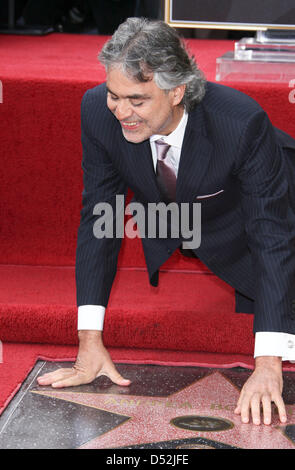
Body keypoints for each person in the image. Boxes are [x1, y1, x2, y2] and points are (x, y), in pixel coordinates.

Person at [37, 17, 295, 427]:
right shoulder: (98, 112)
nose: (122, 112)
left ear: (177, 91)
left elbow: (272, 234)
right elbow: (98, 219)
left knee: (279, 313)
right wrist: (89, 340)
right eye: (113, 95)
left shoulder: (240, 123)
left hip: (276, 212)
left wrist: (268, 364)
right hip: (197, 217)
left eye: (137, 100)